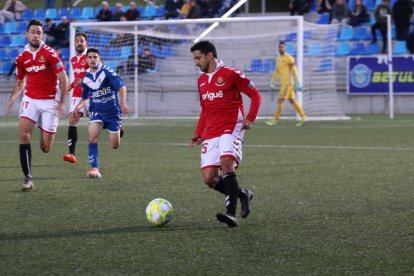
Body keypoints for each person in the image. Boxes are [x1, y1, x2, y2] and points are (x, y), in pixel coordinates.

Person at [190, 41, 262, 227]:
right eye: (194, 59)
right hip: (211, 132)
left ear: (210, 55)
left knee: (226, 163)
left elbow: (256, 95)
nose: (196, 62)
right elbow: (205, 110)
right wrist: (198, 133)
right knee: (209, 178)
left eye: (198, 58)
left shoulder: (231, 74)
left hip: (232, 127)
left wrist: (250, 118)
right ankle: (242, 194)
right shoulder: (202, 81)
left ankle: (231, 214)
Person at [5, 19, 68, 191]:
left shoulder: (50, 53)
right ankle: (28, 178)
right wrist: (12, 98)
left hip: (50, 102)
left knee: (45, 148)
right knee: (24, 135)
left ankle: (43, 126)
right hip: (30, 99)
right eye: (33, 32)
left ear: (42, 35)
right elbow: (20, 83)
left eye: (39, 32)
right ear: (27, 34)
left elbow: (63, 78)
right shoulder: (21, 58)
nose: (35, 35)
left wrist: (62, 102)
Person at [73, 48, 129, 178]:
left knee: (115, 145)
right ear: (86, 60)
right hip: (97, 111)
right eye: (90, 57)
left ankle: (118, 127)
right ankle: (94, 168)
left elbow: (121, 86)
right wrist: (78, 108)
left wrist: (123, 104)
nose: (92, 60)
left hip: (112, 113)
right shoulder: (86, 78)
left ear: (100, 59)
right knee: (92, 138)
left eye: (95, 57)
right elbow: (86, 97)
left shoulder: (107, 72)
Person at [266, 41, 307, 127]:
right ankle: (303, 117)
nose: (281, 48)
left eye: (282, 47)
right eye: (280, 47)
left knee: (280, 100)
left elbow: (294, 70)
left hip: (288, 84)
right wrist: (272, 81)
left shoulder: (289, 58)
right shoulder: (278, 59)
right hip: (283, 84)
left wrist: (298, 81)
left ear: (285, 48)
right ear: (278, 48)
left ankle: (275, 120)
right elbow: (276, 71)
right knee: (292, 100)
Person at [62, 32, 88, 164]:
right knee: (72, 119)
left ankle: (116, 125)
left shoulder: (91, 57)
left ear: (86, 43)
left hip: (91, 94)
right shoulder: (73, 59)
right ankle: (71, 154)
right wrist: (70, 87)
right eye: (77, 41)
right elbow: (77, 78)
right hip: (77, 94)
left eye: (81, 41)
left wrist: (83, 81)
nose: (79, 43)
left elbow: (96, 74)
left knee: (99, 121)